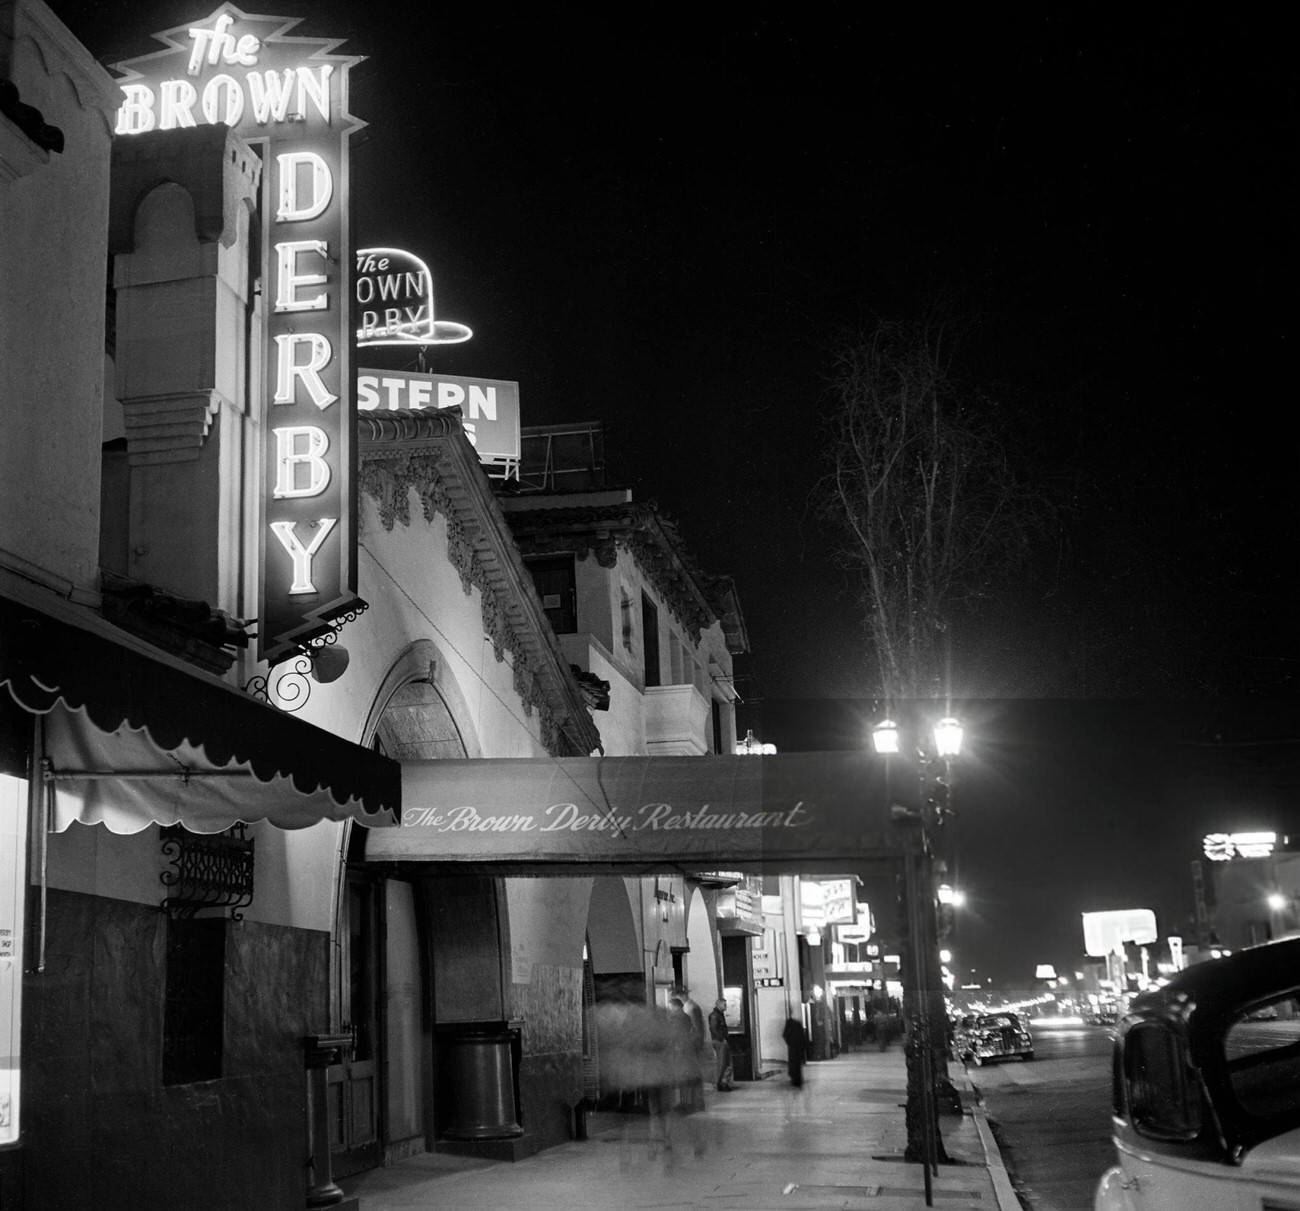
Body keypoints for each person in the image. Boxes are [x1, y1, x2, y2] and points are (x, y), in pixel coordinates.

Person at [708, 997, 734, 1090]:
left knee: (726, 1062)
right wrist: (721, 1039)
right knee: (723, 1063)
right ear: (718, 1004)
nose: (726, 1006)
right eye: (724, 1004)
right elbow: (713, 1029)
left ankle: (723, 1082)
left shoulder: (719, 1015)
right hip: (720, 1041)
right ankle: (720, 1083)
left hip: (721, 1040)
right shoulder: (715, 1015)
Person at [782, 1014, 808, 1088]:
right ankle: (798, 1080)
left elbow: (785, 1035)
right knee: (797, 1064)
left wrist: (789, 1043)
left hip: (793, 1048)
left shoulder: (789, 1024)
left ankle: (794, 1078)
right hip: (798, 1048)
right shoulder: (798, 1025)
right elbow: (803, 1038)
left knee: (793, 1064)